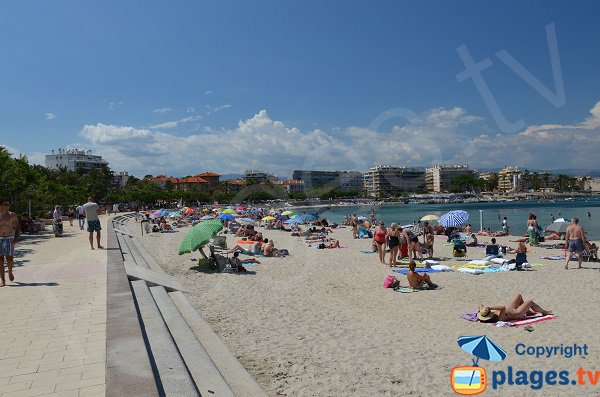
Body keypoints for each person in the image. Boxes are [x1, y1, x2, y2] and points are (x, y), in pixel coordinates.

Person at [477, 294, 552, 323]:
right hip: (517, 313)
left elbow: (481, 310)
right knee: (530, 302)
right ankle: (544, 312)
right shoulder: (499, 318)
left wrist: (482, 309)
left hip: (510, 309)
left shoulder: (491, 314)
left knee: (518, 296)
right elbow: (503, 308)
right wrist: (490, 307)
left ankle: (528, 312)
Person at [0, 199, 21, 287]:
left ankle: (10, 271)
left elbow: (17, 227)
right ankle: (2, 279)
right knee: (0, 260)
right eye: (6, 204)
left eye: (8, 204)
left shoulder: (12, 215)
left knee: (10, 259)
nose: (8, 206)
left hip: (9, 239)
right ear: (0, 205)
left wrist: (16, 238)